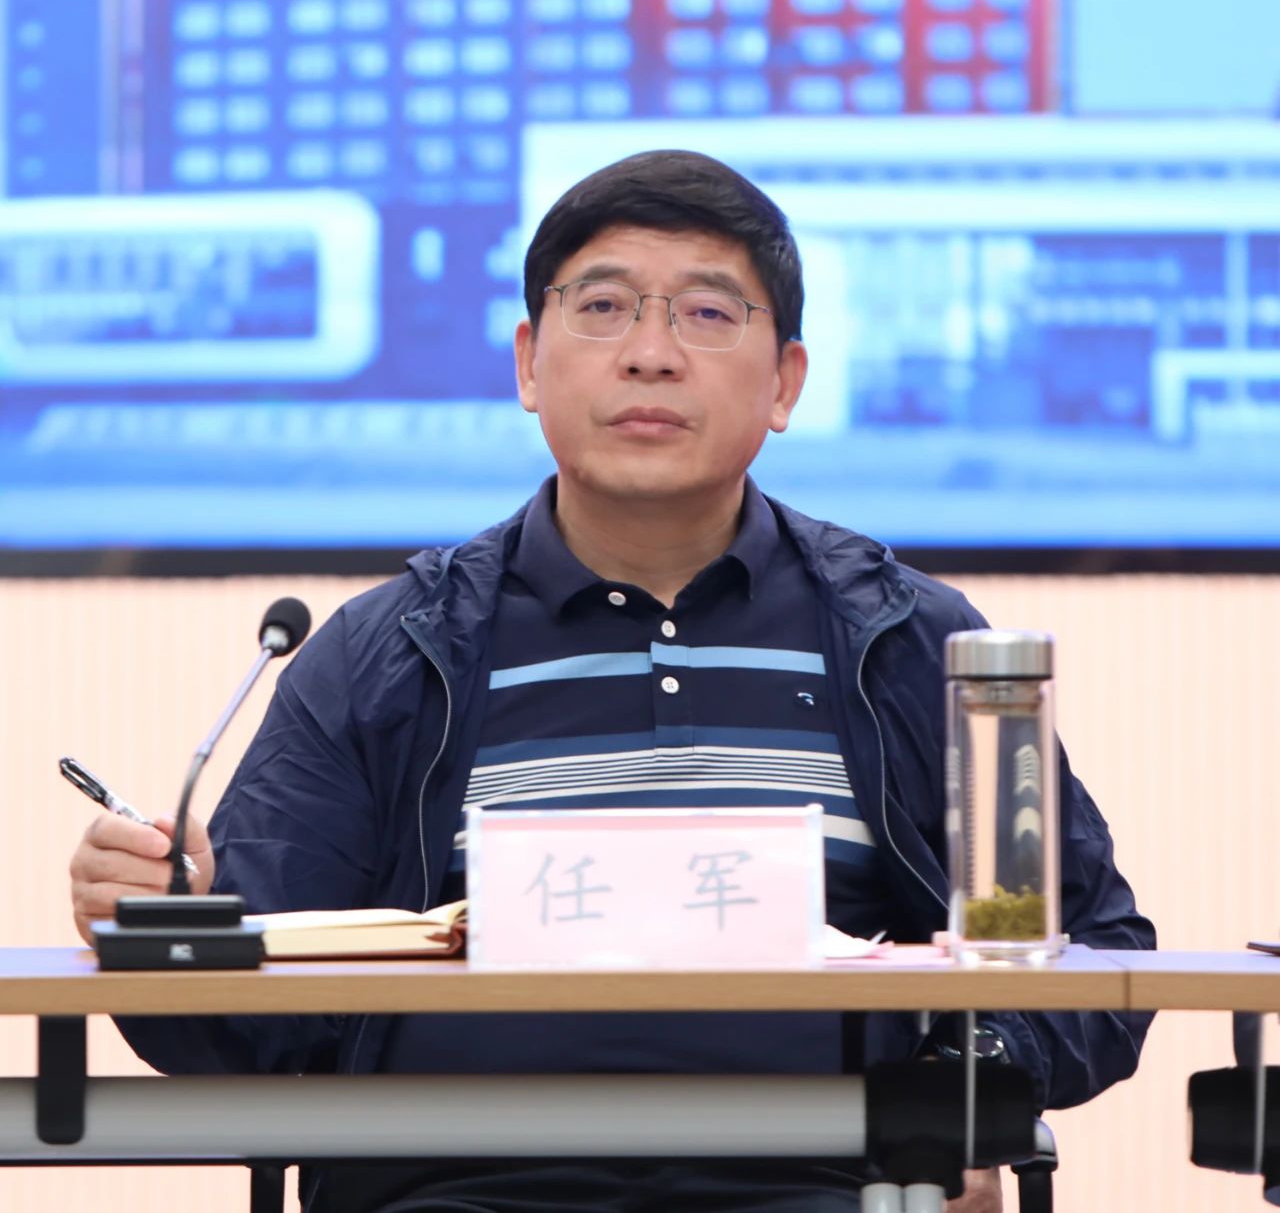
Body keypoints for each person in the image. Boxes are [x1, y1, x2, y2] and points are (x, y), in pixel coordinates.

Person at [69, 150, 1155, 1213]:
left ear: (785, 382)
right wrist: (165, 925)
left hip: (822, 1185)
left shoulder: (906, 642)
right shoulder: (386, 651)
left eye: (707, 312)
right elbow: (239, 1032)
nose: (650, 354)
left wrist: (965, 1078)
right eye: (602, 307)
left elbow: (1092, 957)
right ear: (527, 364)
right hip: (453, 1192)